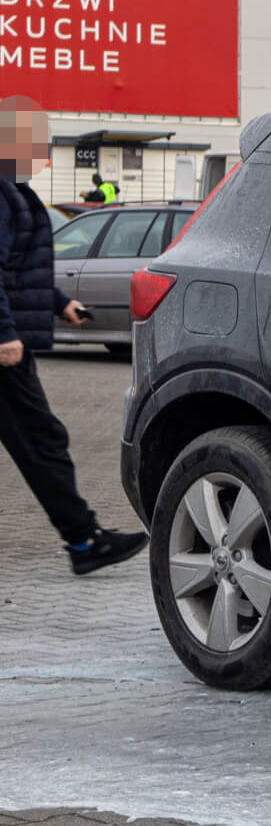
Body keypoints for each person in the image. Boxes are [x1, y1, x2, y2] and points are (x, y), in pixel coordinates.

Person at [0, 97, 148, 574]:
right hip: (4, 350)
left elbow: (23, 268)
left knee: (42, 440)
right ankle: (84, 541)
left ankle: (84, 539)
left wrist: (58, 301)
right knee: (42, 441)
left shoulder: (13, 190)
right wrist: (4, 334)